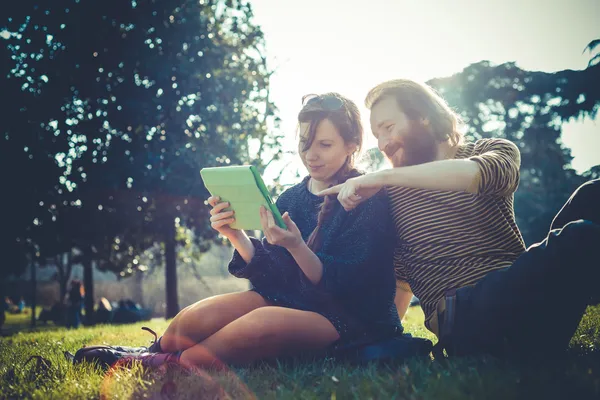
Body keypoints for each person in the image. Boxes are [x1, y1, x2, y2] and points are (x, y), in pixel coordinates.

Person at [73, 93, 404, 369]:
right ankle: (156, 350)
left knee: (262, 325)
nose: (311, 154)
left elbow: (346, 286)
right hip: (292, 300)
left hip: (352, 319)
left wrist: (297, 247)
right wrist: (234, 233)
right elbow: (273, 275)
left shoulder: (368, 197)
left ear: (352, 145)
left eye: (324, 145)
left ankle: (164, 365)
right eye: (305, 143)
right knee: (193, 320)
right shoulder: (291, 197)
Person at [318, 79, 599, 361]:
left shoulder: (493, 150)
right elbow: (400, 281)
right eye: (377, 135)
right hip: (465, 319)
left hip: (521, 296)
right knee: (582, 237)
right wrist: (384, 336)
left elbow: (477, 175)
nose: (382, 145)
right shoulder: (389, 195)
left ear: (423, 116)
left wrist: (383, 176)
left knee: (592, 194)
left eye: (388, 128)